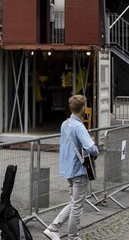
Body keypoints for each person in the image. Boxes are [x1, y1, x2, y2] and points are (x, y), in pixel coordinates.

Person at [43, 95, 98, 240]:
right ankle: (73, 237)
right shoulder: (79, 126)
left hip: (67, 168)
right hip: (78, 169)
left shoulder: (64, 124)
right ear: (83, 108)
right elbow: (90, 147)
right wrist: (96, 151)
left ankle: (53, 228)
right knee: (77, 207)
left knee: (74, 202)